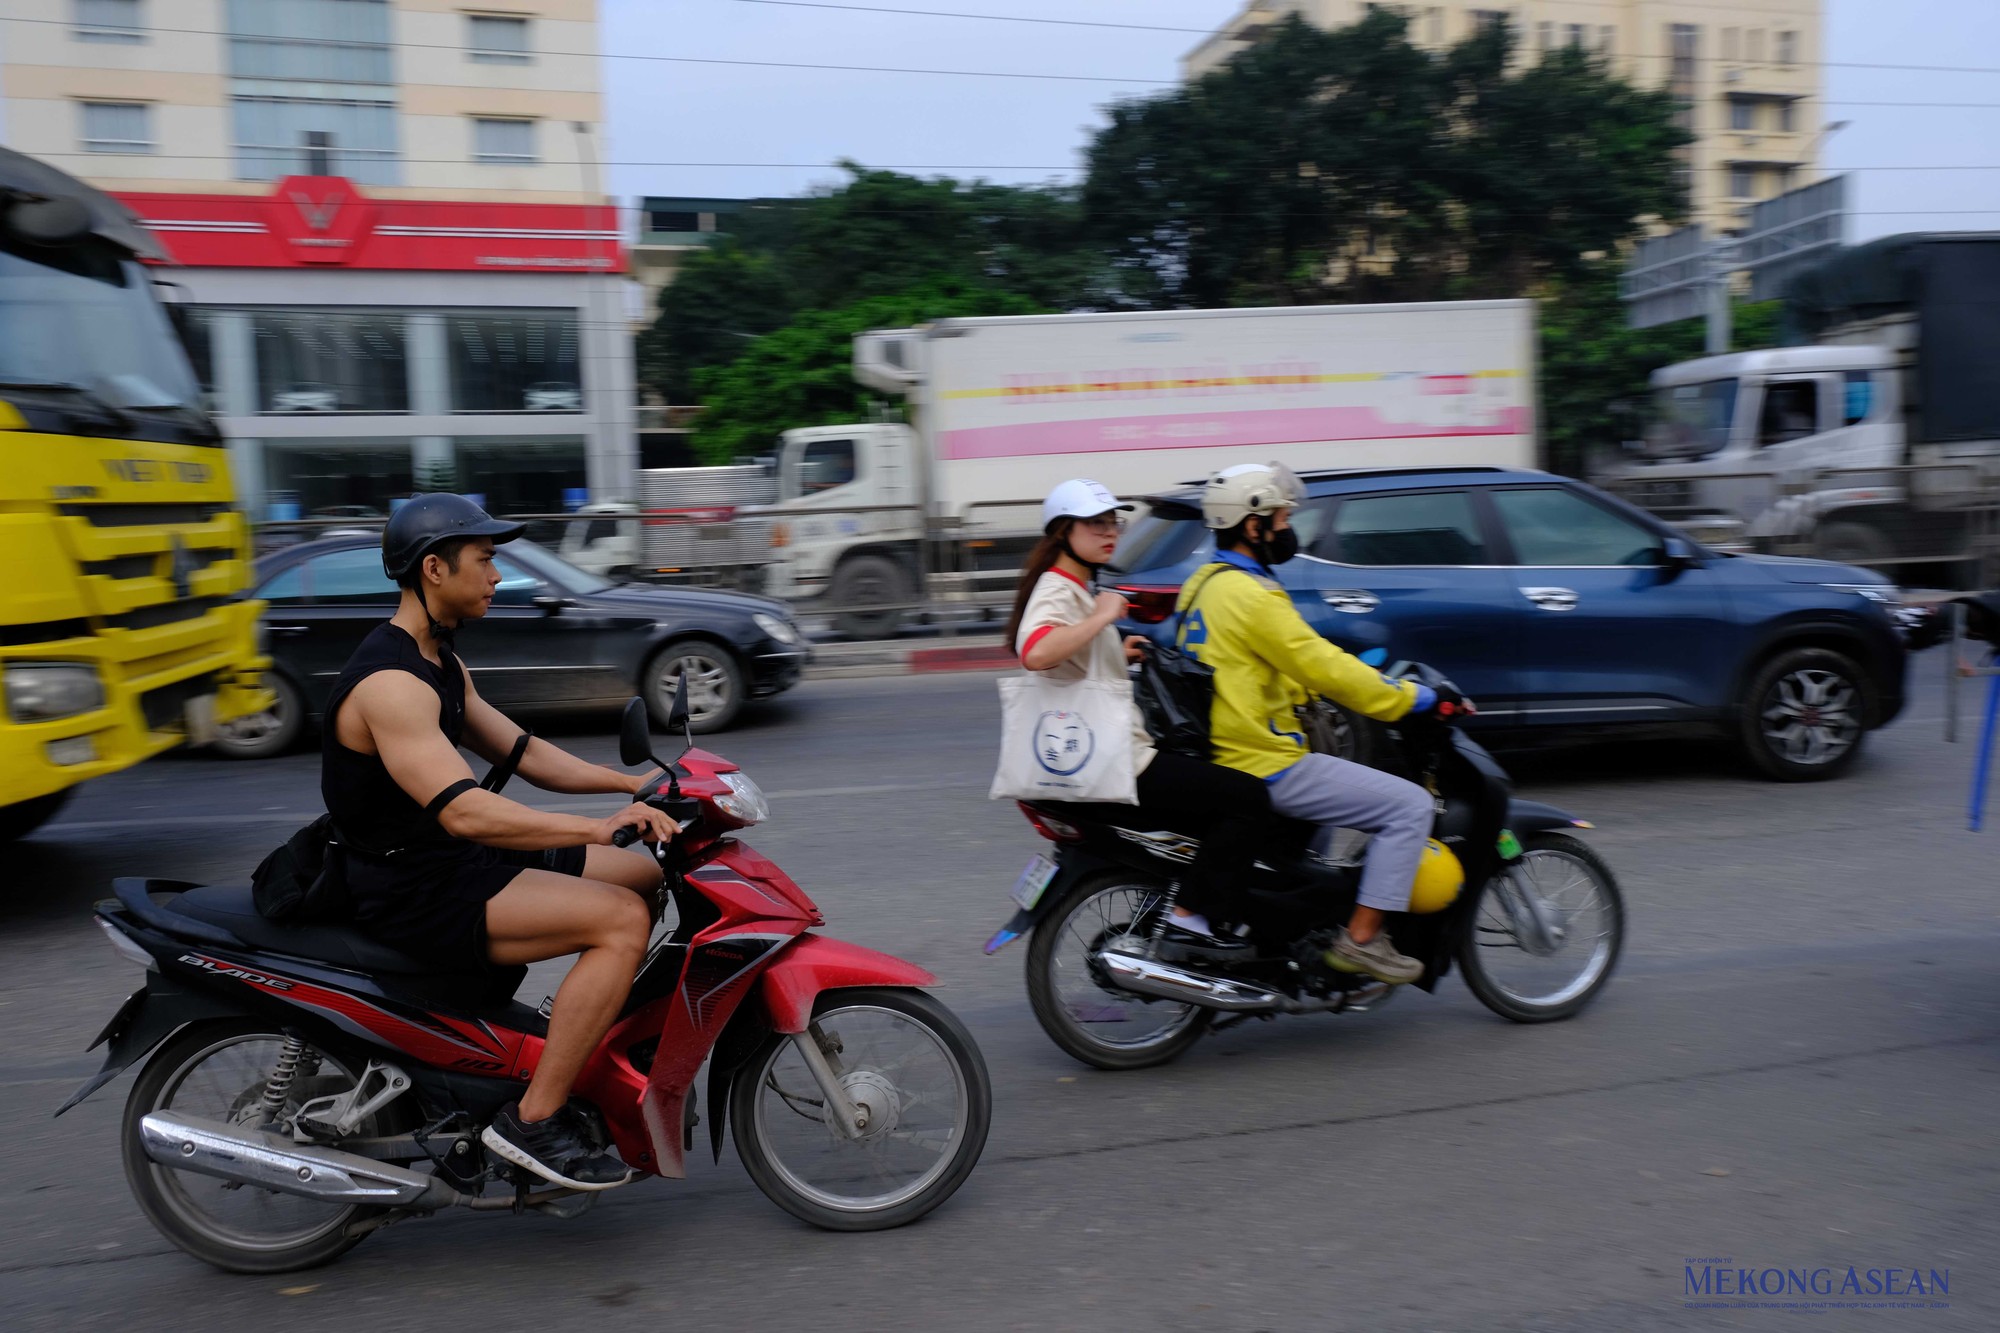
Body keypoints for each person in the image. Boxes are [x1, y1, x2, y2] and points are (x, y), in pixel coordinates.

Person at [322, 494, 679, 1191]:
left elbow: (521, 750)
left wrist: (627, 785)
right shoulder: (391, 684)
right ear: (433, 569)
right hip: (413, 887)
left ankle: (579, 1041)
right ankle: (531, 1121)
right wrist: (592, 825)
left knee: (643, 877)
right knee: (619, 920)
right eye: (484, 562)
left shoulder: (438, 660)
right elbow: (465, 813)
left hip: (446, 860)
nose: (496, 576)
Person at [1179, 463, 1457, 985]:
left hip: (1220, 749)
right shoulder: (1250, 595)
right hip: (1263, 759)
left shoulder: (1203, 584)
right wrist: (1409, 699)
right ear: (1253, 524)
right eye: (1283, 518)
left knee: (1321, 838)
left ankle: (1299, 934)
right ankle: (1362, 942)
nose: (1290, 528)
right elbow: (1321, 663)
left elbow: (1259, 668)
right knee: (1409, 806)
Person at [1006, 478, 1274, 951]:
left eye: (1114, 522)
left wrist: (1117, 652)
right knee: (1248, 798)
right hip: (1118, 760)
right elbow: (1037, 651)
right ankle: (1191, 918)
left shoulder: (1076, 586)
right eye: (1095, 523)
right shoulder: (1059, 588)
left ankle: (1183, 902)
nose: (1110, 532)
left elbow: (1071, 657)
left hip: (1107, 753)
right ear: (1063, 531)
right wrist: (1104, 618)